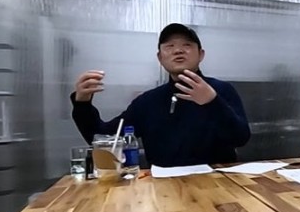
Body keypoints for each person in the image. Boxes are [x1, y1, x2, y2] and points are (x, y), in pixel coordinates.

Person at [70, 23, 250, 167]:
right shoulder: (148, 102)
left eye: (187, 45)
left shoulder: (221, 90)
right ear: (160, 58)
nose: (178, 50)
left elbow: (241, 138)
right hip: (162, 190)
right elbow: (103, 139)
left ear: (200, 54)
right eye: (170, 46)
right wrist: (82, 104)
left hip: (218, 186)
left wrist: (212, 102)